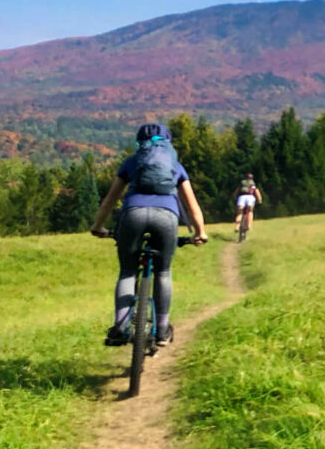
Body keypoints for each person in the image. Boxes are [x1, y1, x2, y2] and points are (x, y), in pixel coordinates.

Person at [89, 122, 206, 348]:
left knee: (127, 272)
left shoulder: (131, 163)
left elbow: (109, 201)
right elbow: (192, 205)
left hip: (133, 215)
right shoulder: (175, 165)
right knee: (163, 272)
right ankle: (162, 330)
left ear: (139, 143)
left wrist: (98, 226)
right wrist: (201, 233)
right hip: (167, 217)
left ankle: (120, 330)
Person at [234, 172, 263, 239]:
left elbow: (236, 192)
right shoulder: (253, 184)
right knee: (250, 211)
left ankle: (237, 227)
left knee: (239, 213)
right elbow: (257, 193)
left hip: (242, 197)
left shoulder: (242, 183)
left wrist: (235, 198)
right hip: (250, 197)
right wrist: (260, 200)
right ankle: (249, 226)